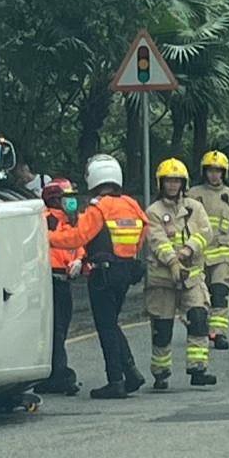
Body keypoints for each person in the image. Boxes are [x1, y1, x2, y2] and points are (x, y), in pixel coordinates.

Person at [47, 154, 148, 399]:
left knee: (106, 327)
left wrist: (46, 238)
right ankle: (130, 372)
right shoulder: (131, 204)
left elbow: (77, 238)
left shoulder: (99, 207)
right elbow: (144, 230)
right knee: (112, 322)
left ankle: (116, 381)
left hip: (103, 273)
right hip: (127, 270)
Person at [145, 158, 217, 389]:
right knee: (162, 328)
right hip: (162, 279)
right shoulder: (153, 212)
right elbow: (157, 241)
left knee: (198, 318)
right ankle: (160, 372)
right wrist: (173, 262)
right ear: (161, 183)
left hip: (191, 277)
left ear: (183, 183)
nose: (172, 185)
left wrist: (188, 250)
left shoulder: (195, 208)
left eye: (177, 181)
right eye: (168, 181)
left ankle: (198, 369)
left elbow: (206, 232)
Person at [187, 150, 229, 350]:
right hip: (199, 255)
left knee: (220, 293)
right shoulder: (193, 195)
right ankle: (201, 328)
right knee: (200, 295)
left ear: (224, 173)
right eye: (210, 170)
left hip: (224, 253)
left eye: (218, 171)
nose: (214, 175)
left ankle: (218, 333)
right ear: (204, 172)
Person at [35, 178, 83, 396]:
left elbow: (78, 243)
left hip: (65, 279)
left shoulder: (69, 221)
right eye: (67, 198)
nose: (71, 202)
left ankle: (57, 373)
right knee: (56, 329)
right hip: (50, 280)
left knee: (61, 328)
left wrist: (79, 259)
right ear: (55, 200)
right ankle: (58, 374)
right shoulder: (46, 220)